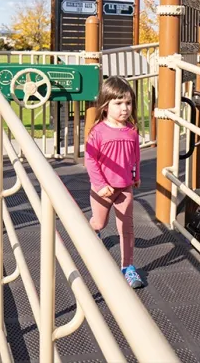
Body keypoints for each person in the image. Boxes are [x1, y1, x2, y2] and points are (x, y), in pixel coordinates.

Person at [85, 76, 143, 289]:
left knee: (126, 228)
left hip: (124, 188)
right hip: (102, 189)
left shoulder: (131, 131)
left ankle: (128, 267)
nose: (124, 108)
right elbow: (90, 160)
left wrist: (136, 176)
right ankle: (88, 235)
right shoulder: (98, 131)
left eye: (128, 103)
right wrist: (100, 184)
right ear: (106, 105)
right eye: (118, 103)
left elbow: (135, 156)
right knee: (99, 223)